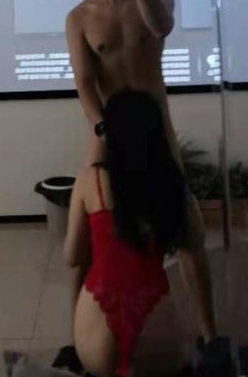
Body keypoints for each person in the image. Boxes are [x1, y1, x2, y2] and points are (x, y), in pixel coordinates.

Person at [58, 0, 217, 368]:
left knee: (187, 229)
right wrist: (102, 128)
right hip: (109, 129)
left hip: (156, 128)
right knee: (92, 233)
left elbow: (161, 27)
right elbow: (84, 82)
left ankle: (210, 334)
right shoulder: (80, 16)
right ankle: (77, 336)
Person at [64, 89, 192, 377]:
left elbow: (72, 257)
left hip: (98, 324)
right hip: (156, 319)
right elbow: (191, 241)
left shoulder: (91, 180)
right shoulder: (171, 185)